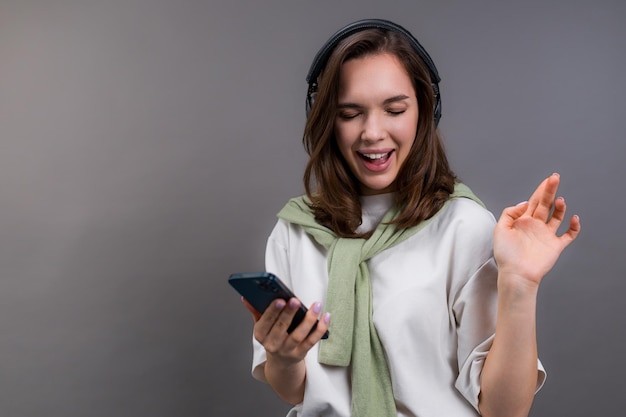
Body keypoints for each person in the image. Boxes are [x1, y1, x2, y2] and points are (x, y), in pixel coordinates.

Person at [241, 19, 580, 417]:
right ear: (326, 120)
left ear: (424, 111)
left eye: (394, 109)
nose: (372, 132)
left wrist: (520, 284)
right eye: (350, 113)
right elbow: (295, 392)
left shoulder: (463, 227)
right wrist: (283, 358)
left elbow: (504, 410)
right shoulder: (294, 231)